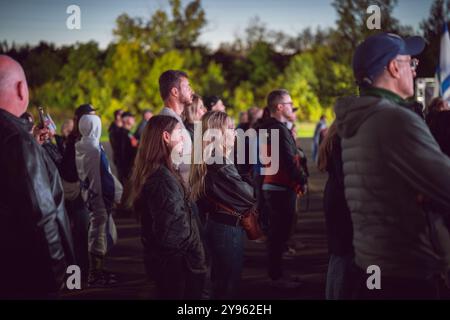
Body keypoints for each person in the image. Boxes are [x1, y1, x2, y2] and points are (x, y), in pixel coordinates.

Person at [335, 32, 450, 299]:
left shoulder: (359, 119)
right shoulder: (394, 119)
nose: (414, 69)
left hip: (374, 264)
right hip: (405, 273)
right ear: (394, 67)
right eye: (411, 62)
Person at [0, 55, 74, 298]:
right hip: (31, 274)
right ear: (22, 89)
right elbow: (42, 216)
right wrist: (58, 279)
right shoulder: (17, 140)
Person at [125, 115, 206, 299]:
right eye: (179, 132)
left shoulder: (164, 172)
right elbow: (173, 234)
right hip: (179, 271)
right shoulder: (162, 180)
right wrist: (195, 253)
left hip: (176, 268)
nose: (184, 137)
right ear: (166, 137)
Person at [190, 111, 256, 299]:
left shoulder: (214, 157)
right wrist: (254, 182)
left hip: (220, 225)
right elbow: (249, 195)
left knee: (221, 282)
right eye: (230, 128)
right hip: (227, 228)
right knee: (228, 286)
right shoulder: (218, 160)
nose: (235, 133)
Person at [259, 89, 308, 288]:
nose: (292, 106)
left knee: (276, 234)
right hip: (280, 186)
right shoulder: (278, 129)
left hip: (270, 184)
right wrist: (302, 178)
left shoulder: (265, 127)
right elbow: (289, 160)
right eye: (289, 103)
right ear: (279, 107)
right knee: (278, 234)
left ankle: (276, 274)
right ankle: (276, 277)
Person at [76, 113, 123, 287]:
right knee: (99, 236)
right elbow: (105, 176)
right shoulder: (94, 149)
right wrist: (117, 195)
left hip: (89, 194)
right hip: (100, 197)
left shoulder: (80, 146)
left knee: (96, 233)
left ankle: (98, 271)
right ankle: (95, 275)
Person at [318, 122, 354, 300]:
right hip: (341, 201)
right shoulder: (342, 139)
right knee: (343, 254)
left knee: (338, 253)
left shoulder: (333, 137)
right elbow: (345, 176)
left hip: (333, 196)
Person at [158, 70, 194, 185]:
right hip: (180, 193)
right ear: (175, 91)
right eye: (187, 87)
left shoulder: (175, 119)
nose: (191, 91)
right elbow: (175, 165)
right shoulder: (169, 121)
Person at [115, 111, 138, 184]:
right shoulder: (122, 134)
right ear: (126, 120)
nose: (134, 119)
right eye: (132, 118)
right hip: (127, 170)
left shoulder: (128, 133)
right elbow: (123, 154)